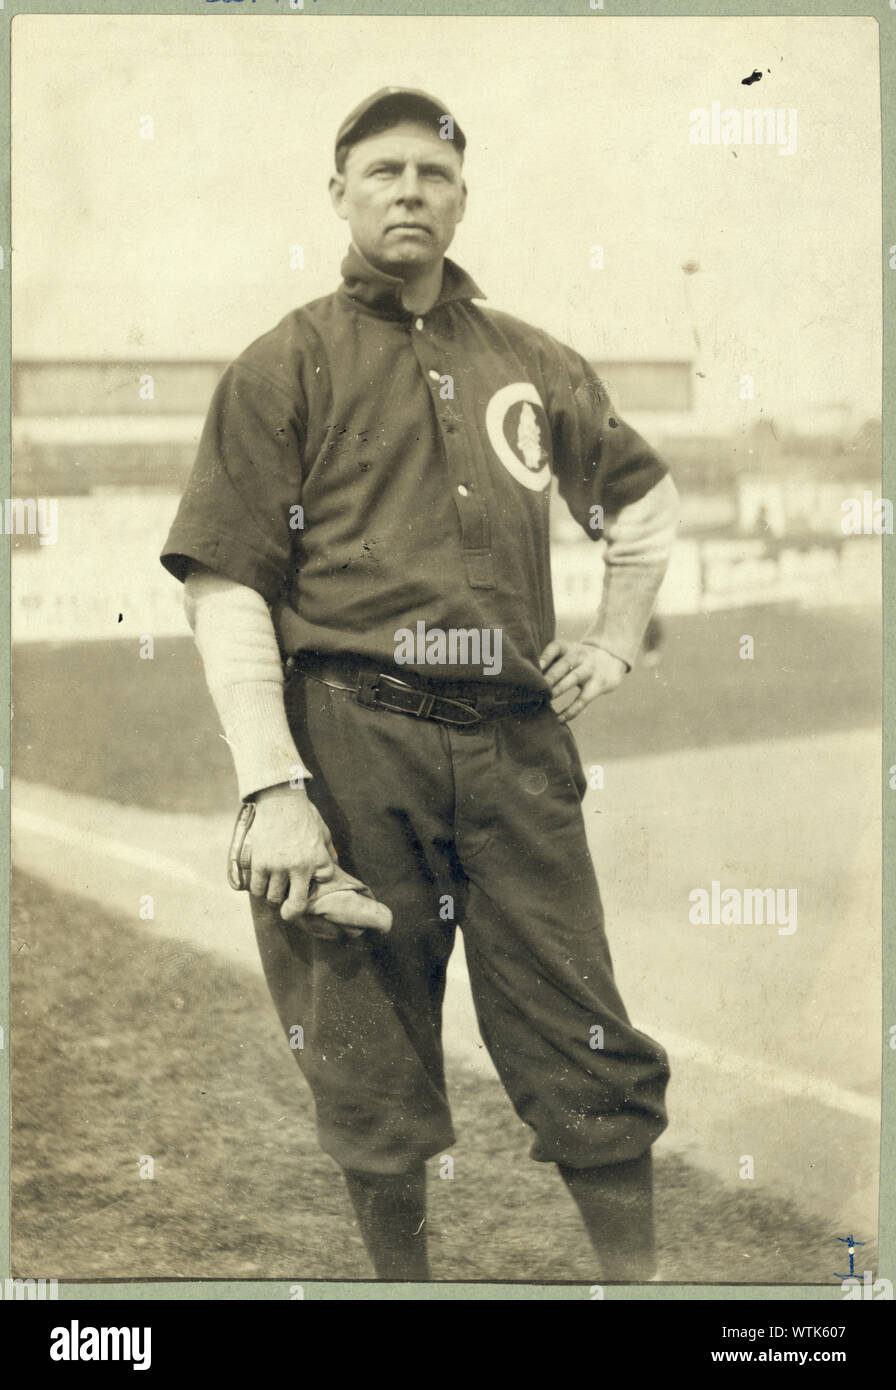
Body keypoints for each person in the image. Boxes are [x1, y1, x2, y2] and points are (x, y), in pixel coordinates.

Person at [161, 87, 679, 1283]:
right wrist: (270, 786)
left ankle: (645, 1293)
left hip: (514, 746)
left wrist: (610, 640)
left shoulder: (532, 359)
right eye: (381, 170)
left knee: (583, 1036)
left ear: (460, 197)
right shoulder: (282, 361)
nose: (408, 190)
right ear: (337, 193)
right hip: (350, 744)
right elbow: (227, 585)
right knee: (366, 1055)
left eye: (432, 173)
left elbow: (640, 503)